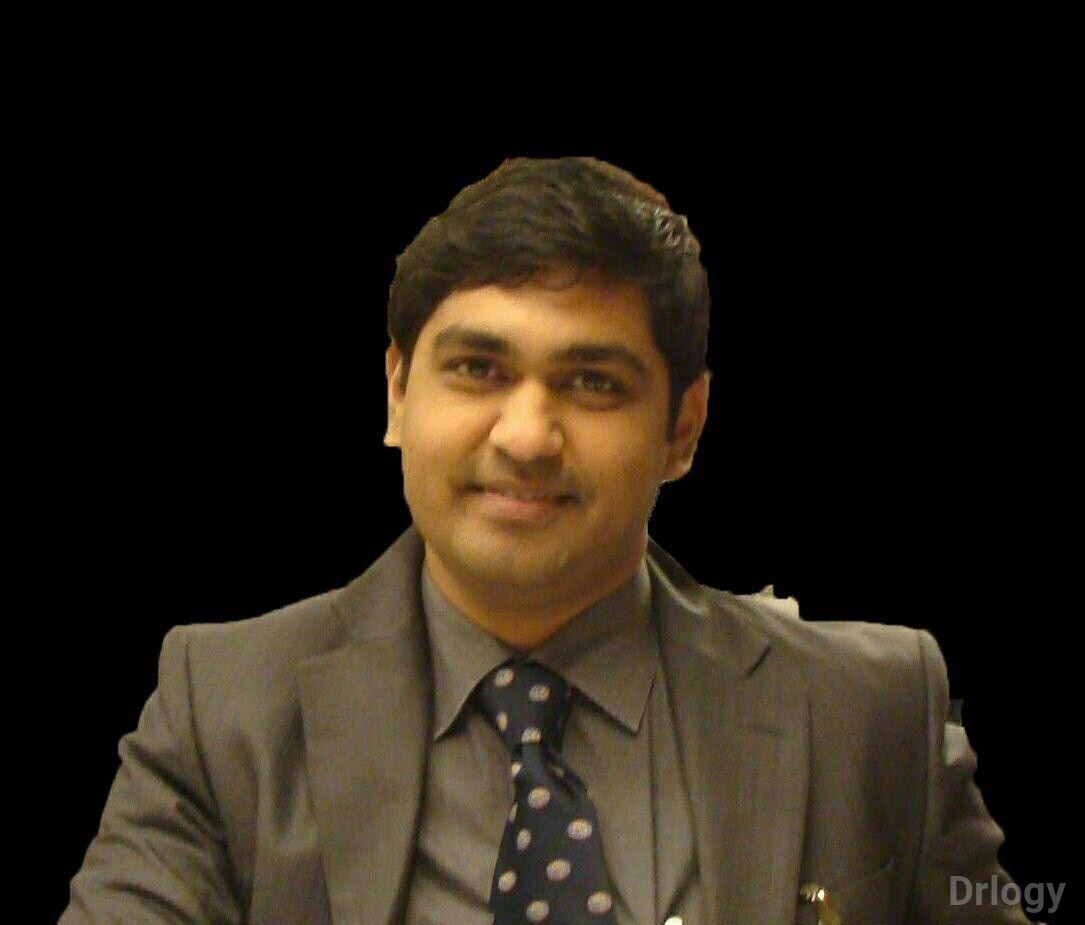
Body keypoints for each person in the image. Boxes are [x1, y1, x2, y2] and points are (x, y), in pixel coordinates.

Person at [61, 157, 1038, 924]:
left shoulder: (871, 711)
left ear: (683, 427)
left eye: (591, 382)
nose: (525, 435)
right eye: (477, 368)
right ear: (397, 392)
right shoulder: (223, 708)